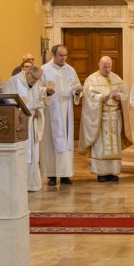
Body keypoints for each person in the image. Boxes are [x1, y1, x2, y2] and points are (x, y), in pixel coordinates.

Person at [79, 56, 132, 183]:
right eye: (105, 67)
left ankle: (113, 172)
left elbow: (125, 94)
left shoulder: (116, 78)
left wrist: (119, 97)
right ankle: (101, 173)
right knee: (101, 145)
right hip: (100, 117)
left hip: (115, 117)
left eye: (109, 67)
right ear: (99, 64)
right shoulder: (92, 79)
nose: (107, 69)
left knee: (114, 145)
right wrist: (101, 98)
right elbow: (88, 97)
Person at [39, 45, 83, 187]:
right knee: (50, 143)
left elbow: (76, 86)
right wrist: (46, 91)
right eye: (61, 55)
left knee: (66, 142)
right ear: (53, 55)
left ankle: (65, 174)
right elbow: (37, 88)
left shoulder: (70, 70)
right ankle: (51, 175)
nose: (64, 58)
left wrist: (77, 92)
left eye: (65, 55)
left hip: (66, 111)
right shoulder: (44, 69)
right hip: (51, 110)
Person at [3, 65, 51, 192]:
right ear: (28, 73)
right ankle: (19, 185)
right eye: (34, 78)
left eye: (38, 79)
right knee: (22, 154)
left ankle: (32, 184)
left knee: (32, 155)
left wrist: (38, 111)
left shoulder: (36, 84)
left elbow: (39, 102)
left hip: (32, 125)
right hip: (19, 126)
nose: (35, 82)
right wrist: (29, 113)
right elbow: (8, 103)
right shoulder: (14, 81)